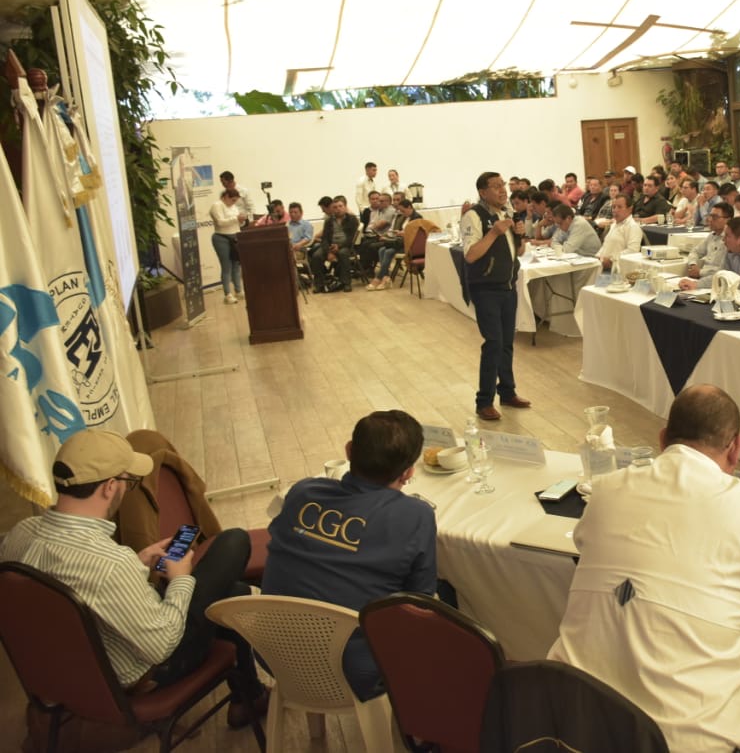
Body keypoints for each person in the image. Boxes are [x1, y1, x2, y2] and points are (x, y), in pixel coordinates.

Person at [548, 385, 740, 753]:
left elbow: (586, 546)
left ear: (663, 439)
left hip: (575, 731)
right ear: (735, 449)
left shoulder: (606, 491)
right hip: (688, 743)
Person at [0, 430, 266, 724]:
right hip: (135, 677)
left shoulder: (19, 534)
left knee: (231, 592)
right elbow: (163, 645)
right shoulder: (110, 564)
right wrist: (179, 579)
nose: (127, 489)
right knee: (233, 543)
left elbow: (74, 593)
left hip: (60, 675)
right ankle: (250, 698)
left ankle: (250, 697)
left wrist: (137, 564)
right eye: (129, 482)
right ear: (109, 487)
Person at [262, 410, 436, 701]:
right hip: (354, 671)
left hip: (273, 655)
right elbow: (420, 599)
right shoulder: (415, 514)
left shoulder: (303, 491)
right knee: (451, 599)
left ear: (348, 451)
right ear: (408, 472)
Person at [462, 172, 532, 421]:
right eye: (496, 186)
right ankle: (484, 401)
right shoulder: (474, 216)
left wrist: (520, 235)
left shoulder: (506, 213)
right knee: (493, 343)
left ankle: (507, 392)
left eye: (503, 185)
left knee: (506, 343)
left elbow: (518, 252)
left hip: (507, 286)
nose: (503, 190)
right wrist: (493, 233)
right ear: (483, 192)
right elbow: (470, 255)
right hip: (486, 289)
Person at [367, 200, 423, 290]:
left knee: (388, 251)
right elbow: (402, 231)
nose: (402, 213)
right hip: (400, 241)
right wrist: (399, 232)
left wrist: (403, 233)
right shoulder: (404, 217)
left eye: (403, 211)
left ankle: (378, 278)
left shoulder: (417, 218)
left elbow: (416, 235)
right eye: (400, 211)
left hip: (410, 245)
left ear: (409, 207)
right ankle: (385, 278)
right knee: (381, 249)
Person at [310, 195, 360, 292]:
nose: (338, 209)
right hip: (330, 245)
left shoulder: (352, 219)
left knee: (343, 253)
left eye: (340, 206)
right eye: (335, 207)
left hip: (345, 245)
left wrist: (339, 246)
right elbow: (325, 238)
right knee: (317, 256)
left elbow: (350, 238)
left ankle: (346, 283)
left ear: (345, 206)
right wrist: (328, 252)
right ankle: (319, 284)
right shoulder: (329, 221)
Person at [209, 187, 247, 304]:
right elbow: (220, 222)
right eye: (233, 200)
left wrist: (242, 220)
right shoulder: (217, 205)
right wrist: (236, 218)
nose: (234, 203)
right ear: (226, 197)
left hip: (235, 237)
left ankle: (238, 290)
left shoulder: (234, 207)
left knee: (236, 265)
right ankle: (227, 294)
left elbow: (238, 223)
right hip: (222, 238)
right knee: (226, 266)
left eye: (235, 201)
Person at [597, 193, 644, 271]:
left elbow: (632, 251)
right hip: (603, 266)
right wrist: (598, 256)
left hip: (618, 270)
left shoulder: (633, 227)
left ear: (630, 209)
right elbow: (606, 246)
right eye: (613, 207)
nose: (615, 210)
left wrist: (611, 260)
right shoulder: (614, 224)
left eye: (619, 207)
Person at [686, 202, 732, 279]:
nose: (710, 220)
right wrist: (693, 265)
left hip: (716, 279)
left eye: (715, 217)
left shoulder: (730, 240)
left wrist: (700, 272)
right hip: (702, 277)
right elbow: (695, 251)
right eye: (710, 216)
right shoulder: (712, 235)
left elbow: (725, 270)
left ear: (728, 220)